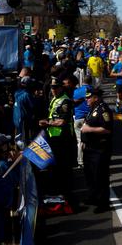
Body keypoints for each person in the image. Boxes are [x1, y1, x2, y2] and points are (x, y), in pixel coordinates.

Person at [39, 77, 75, 205]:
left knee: (63, 168)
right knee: (55, 167)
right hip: (54, 137)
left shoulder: (65, 101)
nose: (53, 90)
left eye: (55, 88)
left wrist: (47, 123)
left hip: (62, 138)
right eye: (52, 88)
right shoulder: (55, 98)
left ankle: (66, 195)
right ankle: (59, 192)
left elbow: (62, 121)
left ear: (61, 88)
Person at [81, 87, 113, 213]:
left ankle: (103, 203)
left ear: (96, 97)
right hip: (89, 147)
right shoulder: (93, 109)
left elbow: (107, 129)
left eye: (89, 97)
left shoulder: (103, 110)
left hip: (100, 149)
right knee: (90, 174)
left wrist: (89, 130)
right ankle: (93, 196)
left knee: (100, 176)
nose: (86, 99)